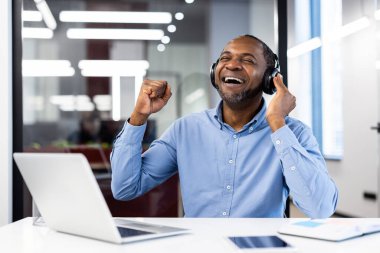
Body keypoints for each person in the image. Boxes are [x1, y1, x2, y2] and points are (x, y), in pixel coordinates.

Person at [111, 34, 338, 218]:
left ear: (270, 78)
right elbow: (125, 188)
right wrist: (139, 116)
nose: (232, 65)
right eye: (225, 58)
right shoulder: (185, 130)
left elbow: (320, 208)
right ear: (214, 72)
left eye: (248, 60)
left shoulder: (293, 133)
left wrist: (277, 123)